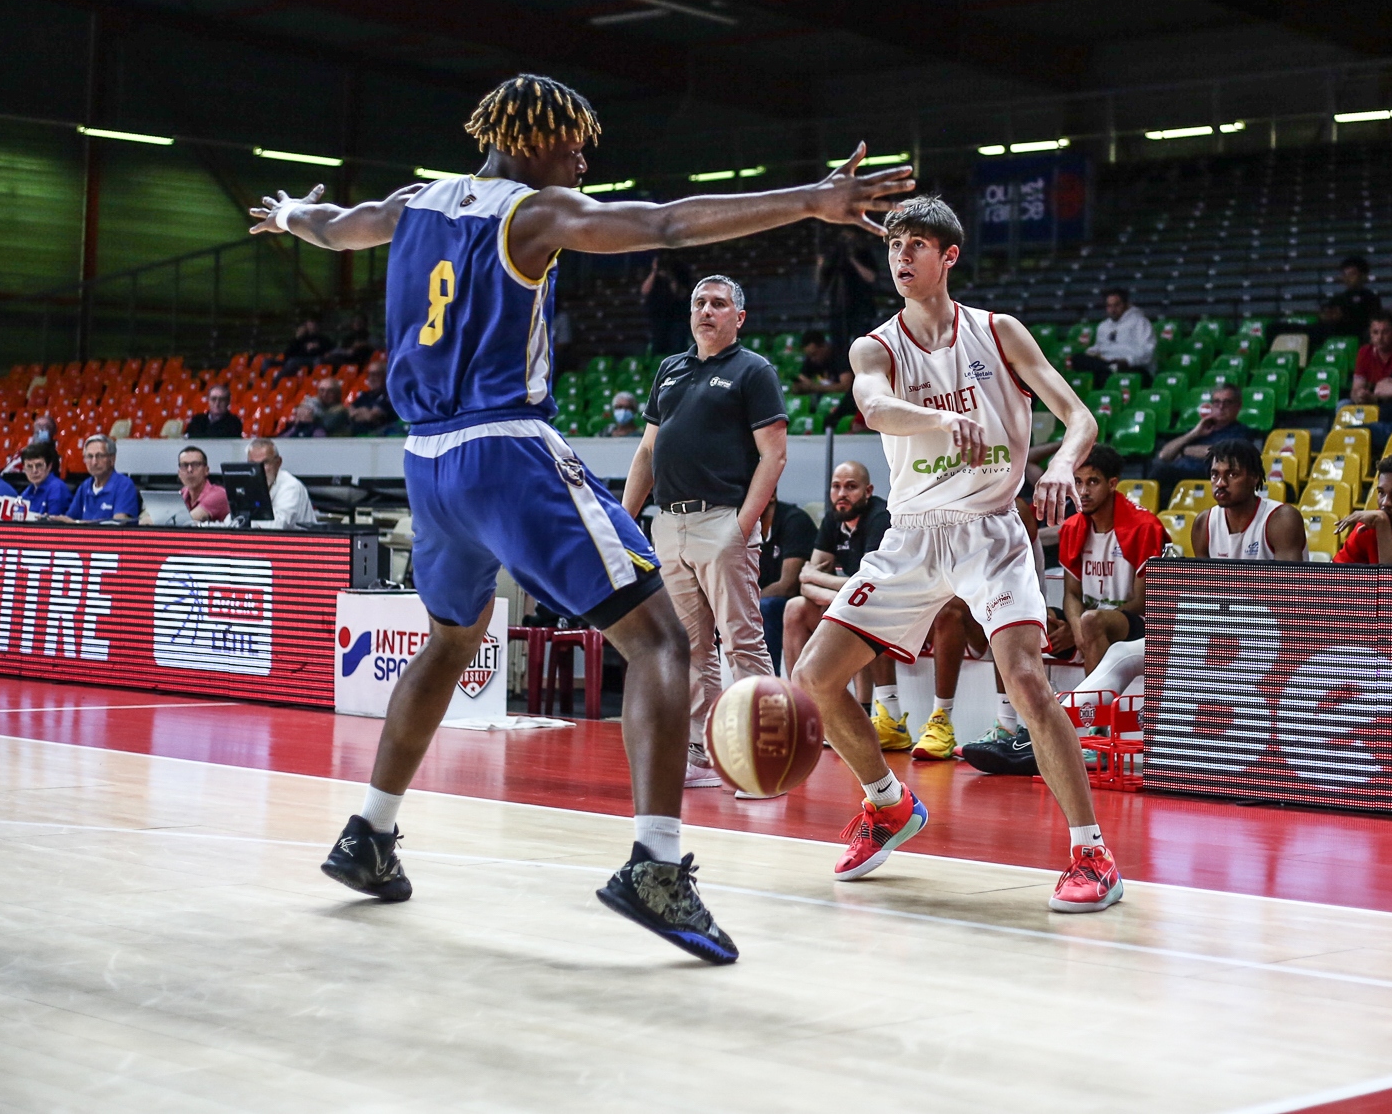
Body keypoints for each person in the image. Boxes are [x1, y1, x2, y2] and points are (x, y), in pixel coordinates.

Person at [250, 70, 913, 962]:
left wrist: (291, 212)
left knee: (450, 639)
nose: (583, 157)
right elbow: (667, 222)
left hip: (426, 461)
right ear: (531, 140)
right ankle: (656, 865)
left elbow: (336, 227)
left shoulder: (414, 203)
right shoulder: (534, 212)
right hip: (503, 449)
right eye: (573, 142)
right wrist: (811, 201)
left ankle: (369, 834)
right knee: (662, 641)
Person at [790, 196, 1123, 913]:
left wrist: (1064, 460)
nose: (900, 255)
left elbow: (1081, 415)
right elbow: (874, 407)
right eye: (892, 245)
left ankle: (1092, 853)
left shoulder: (998, 333)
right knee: (813, 674)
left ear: (949, 257)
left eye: (915, 244)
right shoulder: (875, 345)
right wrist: (944, 419)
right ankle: (886, 802)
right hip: (911, 535)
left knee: (1029, 685)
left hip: (989, 530)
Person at [621, 274, 789, 795]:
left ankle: (762, 758)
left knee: (743, 643)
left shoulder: (753, 370)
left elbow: (774, 455)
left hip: (722, 521)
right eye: (699, 302)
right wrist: (625, 523)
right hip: (668, 523)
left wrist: (740, 527)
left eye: (719, 304)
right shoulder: (670, 369)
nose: (706, 310)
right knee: (689, 647)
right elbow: (647, 453)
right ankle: (701, 750)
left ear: (738, 317)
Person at [781, 461, 902, 742]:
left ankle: (869, 710)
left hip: (887, 605)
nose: (842, 494)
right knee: (794, 608)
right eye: (836, 487)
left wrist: (824, 582)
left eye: (851, 487)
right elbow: (805, 581)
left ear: (868, 490)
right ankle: (806, 710)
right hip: (851, 599)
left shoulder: (879, 517)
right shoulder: (833, 519)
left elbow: (870, 585)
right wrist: (837, 589)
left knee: (860, 608)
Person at [1058, 444, 1167, 695]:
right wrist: (1076, 629)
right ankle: (1012, 719)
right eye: (1078, 482)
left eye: (1093, 482)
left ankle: (1097, 722)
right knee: (1036, 623)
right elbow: (1071, 594)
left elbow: (1144, 602)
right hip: (1090, 620)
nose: (1083, 491)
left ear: (1112, 483)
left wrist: (1086, 626)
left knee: (1092, 621)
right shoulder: (1072, 527)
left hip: (1136, 622)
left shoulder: (1144, 527)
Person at [1194, 439, 1307, 561]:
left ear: (1255, 478)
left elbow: (1289, 579)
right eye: (1215, 475)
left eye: (1232, 474)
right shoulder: (1203, 523)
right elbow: (1204, 579)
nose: (1221, 483)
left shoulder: (1282, 519)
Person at [1146, 383, 1257, 501]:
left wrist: (1185, 450)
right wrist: (1194, 433)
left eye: (1227, 402)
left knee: (1161, 471)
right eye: (1216, 402)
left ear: (1238, 406)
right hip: (1179, 479)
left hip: (1206, 476)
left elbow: (1223, 454)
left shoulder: (1241, 431)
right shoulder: (1202, 429)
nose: (1221, 407)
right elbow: (1164, 455)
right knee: (1162, 492)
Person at [756, 499, 816, 674]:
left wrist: (743, 604)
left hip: (805, 605)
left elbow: (788, 586)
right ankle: (709, 692)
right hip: (765, 603)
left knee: (765, 608)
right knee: (711, 611)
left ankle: (768, 685)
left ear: (771, 494)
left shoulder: (794, 521)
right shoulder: (743, 526)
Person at [1069, 286, 1155, 380]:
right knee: (1077, 359)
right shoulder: (1103, 326)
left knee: (1103, 375)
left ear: (1126, 304)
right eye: (1109, 306)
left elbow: (1148, 351)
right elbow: (1099, 347)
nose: (1113, 310)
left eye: (1117, 305)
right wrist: (1092, 352)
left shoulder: (1140, 322)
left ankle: (1109, 369)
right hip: (1107, 363)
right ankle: (1109, 368)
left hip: (1131, 366)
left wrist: (1127, 361)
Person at [816, 231, 881, 354]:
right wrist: (820, 264)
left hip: (861, 306)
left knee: (862, 343)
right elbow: (822, 281)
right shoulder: (835, 258)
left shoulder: (864, 255)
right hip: (838, 308)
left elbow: (871, 277)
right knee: (839, 346)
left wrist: (853, 260)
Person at [246, 436, 320, 528]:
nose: (258, 469)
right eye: (253, 464)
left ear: (278, 463)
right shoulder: (249, 485)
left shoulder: (291, 486)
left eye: (265, 463)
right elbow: (232, 520)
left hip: (299, 542)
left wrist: (246, 520)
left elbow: (277, 527)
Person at [64, 434, 141, 523]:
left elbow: (118, 524)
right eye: (89, 456)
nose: (94, 462)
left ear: (112, 459)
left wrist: (79, 524)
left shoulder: (124, 485)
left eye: (99, 456)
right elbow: (70, 520)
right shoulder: (85, 486)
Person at [1351, 312, 1392, 405]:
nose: (1380, 337)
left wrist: (1376, 398)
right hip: (1370, 401)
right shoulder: (1364, 352)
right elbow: (1356, 388)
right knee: (1342, 405)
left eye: (1385, 332)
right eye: (1375, 332)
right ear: (1370, 334)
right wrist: (1359, 396)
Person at [640, 255, 693, 357]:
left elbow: (680, 293)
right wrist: (654, 271)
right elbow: (645, 290)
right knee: (658, 349)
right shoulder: (653, 276)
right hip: (657, 318)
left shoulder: (680, 272)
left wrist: (670, 277)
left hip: (676, 318)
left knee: (677, 350)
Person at [17, 441, 74, 516]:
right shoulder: (28, 491)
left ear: (49, 466)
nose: (34, 471)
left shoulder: (57, 488)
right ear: (24, 469)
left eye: (39, 465)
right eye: (29, 466)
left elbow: (54, 524)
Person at [177, 445, 230, 524]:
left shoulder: (219, 494)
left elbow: (185, 522)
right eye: (184, 465)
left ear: (206, 470)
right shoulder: (181, 493)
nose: (189, 470)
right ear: (179, 473)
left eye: (195, 465)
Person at [348, 365, 397, 435]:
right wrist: (366, 411)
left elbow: (371, 417)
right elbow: (350, 413)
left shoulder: (391, 395)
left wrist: (360, 412)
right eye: (369, 375)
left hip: (382, 437)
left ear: (386, 376)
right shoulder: (364, 395)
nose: (371, 378)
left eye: (376, 375)